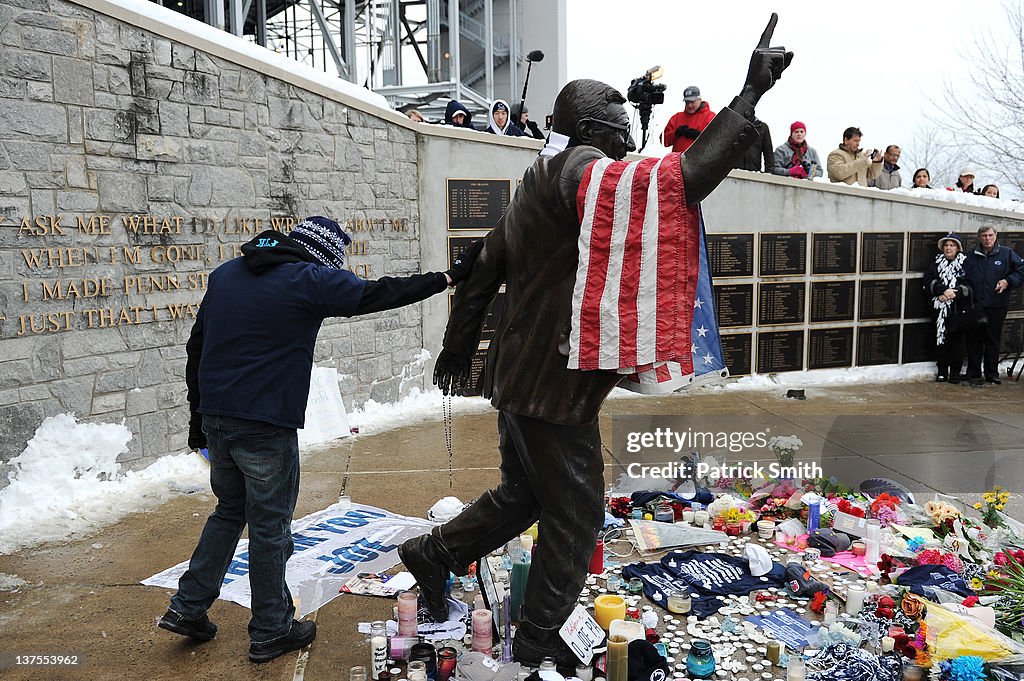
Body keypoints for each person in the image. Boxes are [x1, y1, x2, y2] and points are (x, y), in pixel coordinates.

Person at [399, 14, 792, 670]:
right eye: (617, 128)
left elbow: (483, 266)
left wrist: (457, 349)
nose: (624, 143)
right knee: (577, 512)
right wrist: (748, 96)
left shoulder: (535, 182)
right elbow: (676, 182)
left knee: (525, 496)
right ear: (589, 129)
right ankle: (537, 637)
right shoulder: (578, 167)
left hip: (517, 376)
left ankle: (431, 554)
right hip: (552, 384)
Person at [158, 217, 482, 663]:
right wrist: (447, 278)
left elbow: (197, 347)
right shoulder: (308, 279)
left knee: (229, 512)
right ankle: (272, 628)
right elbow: (379, 293)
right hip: (265, 424)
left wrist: (199, 421)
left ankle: (187, 607)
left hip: (218, 418)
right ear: (323, 256)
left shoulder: (226, 274)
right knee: (270, 528)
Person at [964, 225, 1024, 386]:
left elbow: (1021, 270)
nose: (987, 239)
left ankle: (992, 373)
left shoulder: (1006, 253)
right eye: (984, 236)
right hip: (975, 305)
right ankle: (974, 373)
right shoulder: (970, 256)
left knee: (993, 340)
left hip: (997, 304)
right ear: (979, 237)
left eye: (990, 235)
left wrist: (1008, 281)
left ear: (996, 236)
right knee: (974, 340)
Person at [924, 234, 973, 383]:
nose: (948, 248)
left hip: (959, 309)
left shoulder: (966, 263)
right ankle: (942, 371)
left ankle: (955, 372)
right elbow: (928, 280)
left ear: (958, 248)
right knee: (941, 340)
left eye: (952, 245)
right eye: (946, 245)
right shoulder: (935, 264)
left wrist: (955, 293)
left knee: (957, 341)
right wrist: (942, 291)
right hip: (940, 309)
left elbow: (971, 283)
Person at [661, 85, 716, 153]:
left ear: (699, 100)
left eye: (692, 102)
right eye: (687, 102)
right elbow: (663, 141)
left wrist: (699, 136)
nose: (689, 105)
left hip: (700, 162)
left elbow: (716, 141)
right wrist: (676, 132)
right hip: (678, 161)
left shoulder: (710, 117)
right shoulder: (676, 118)